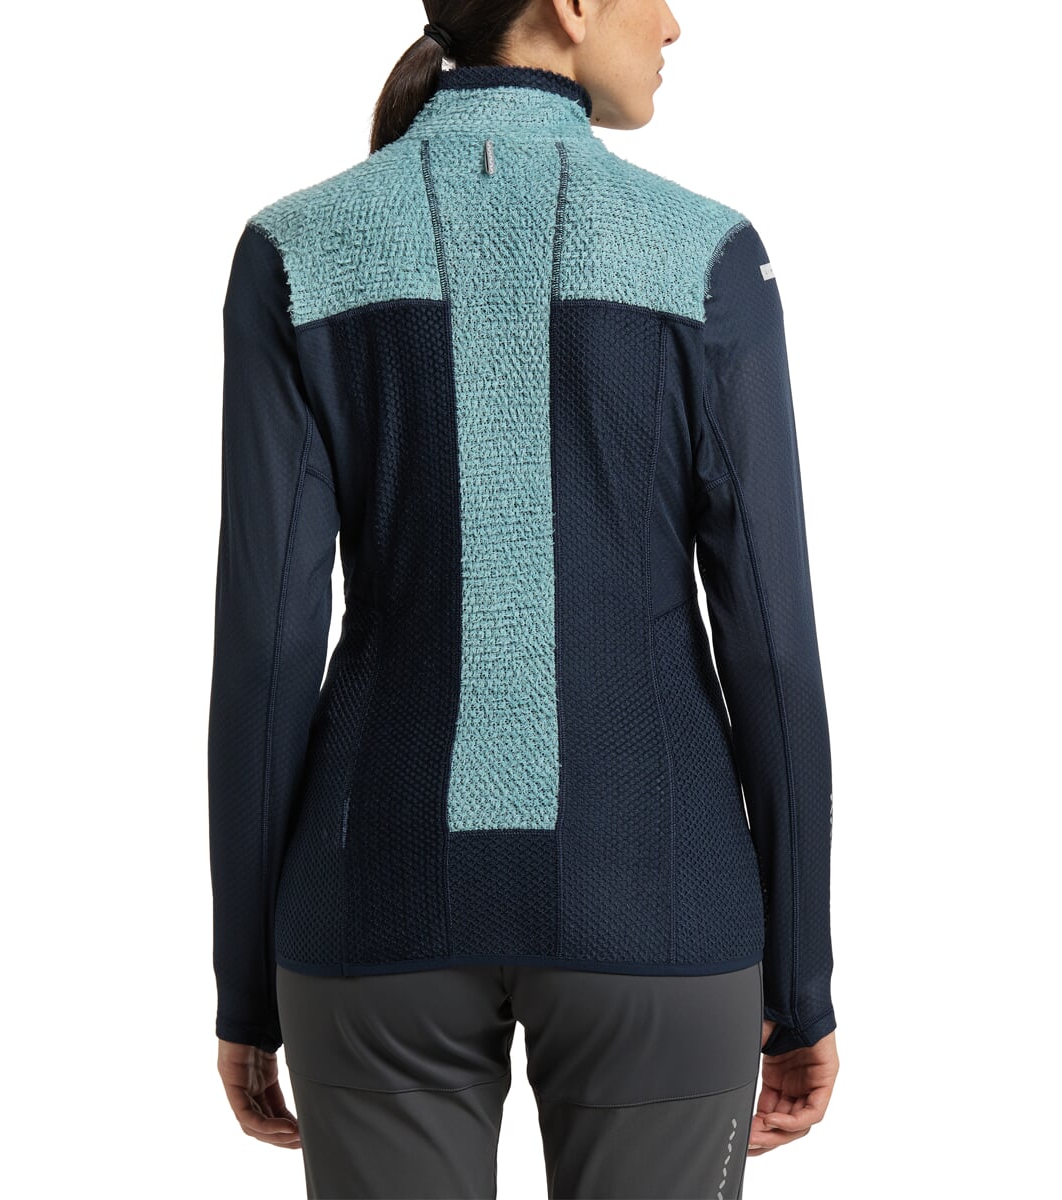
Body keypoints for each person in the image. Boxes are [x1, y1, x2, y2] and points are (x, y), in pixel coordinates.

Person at [207, 1, 840, 1196]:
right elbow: (771, 647)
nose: (674, 23)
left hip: (367, 908)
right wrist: (800, 984)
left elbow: (267, 651)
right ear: (571, 6)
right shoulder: (705, 254)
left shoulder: (294, 251)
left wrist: (246, 985)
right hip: (658, 906)